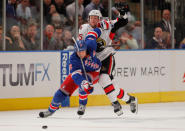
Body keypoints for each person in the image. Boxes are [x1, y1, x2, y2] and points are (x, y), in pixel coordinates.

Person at [78, 9, 138, 116]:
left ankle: (115, 104)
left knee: (103, 78)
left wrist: (122, 14)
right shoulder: (83, 29)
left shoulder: (106, 24)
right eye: (92, 17)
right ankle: (130, 99)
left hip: (106, 57)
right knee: (114, 88)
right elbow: (81, 47)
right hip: (93, 60)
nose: (93, 20)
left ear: (100, 19)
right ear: (88, 19)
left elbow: (122, 22)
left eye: (96, 18)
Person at [39, 38, 102, 118]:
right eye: (78, 52)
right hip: (79, 74)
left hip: (94, 72)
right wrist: (83, 83)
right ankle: (50, 110)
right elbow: (75, 76)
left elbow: (96, 32)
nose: (80, 54)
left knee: (84, 82)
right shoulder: (73, 59)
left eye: (82, 51)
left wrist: (101, 43)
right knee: (61, 92)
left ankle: (82, 104)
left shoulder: (91, 44)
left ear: (86, 49)